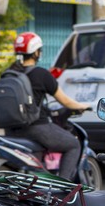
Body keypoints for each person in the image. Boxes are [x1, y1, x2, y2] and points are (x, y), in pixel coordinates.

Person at [5, 32, 89, 181]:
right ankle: (63, 186)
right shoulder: (41, 74)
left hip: (11, 130)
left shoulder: (8, 74)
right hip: (36, 128)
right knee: (74, 144)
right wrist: (82, 106)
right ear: (36, 52)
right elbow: (65, 101)